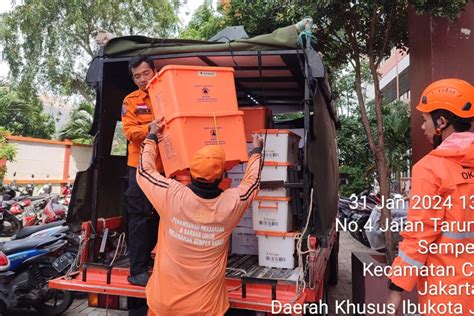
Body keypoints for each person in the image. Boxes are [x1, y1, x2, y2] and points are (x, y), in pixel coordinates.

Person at [137, 118, 263, 316]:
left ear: (190, 172)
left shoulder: (172, 195)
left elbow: (144, 171)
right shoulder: (230, 204)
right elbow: (252, 183)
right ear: (222, 177)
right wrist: (256, 152)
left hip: (163, 306)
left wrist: (152, 136)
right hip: (205, 310)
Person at [386, 78, 474, 316]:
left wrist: (396, 287)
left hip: (447, 294)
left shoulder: (430, 169)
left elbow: (419, 234)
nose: (423, 126)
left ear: (441, 122)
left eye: (424, 119)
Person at [121, 54, 162, 287]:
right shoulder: (131, 100)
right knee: (138, 217)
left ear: (154, 71)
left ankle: (158, 262)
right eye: (137, 76)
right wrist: (151, 129)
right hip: (138, 167)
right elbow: (129, 132)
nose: (142, 79)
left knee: (163, 216)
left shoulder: (168, 93)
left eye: (146, 73)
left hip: (166, 167)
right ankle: (137, 270)